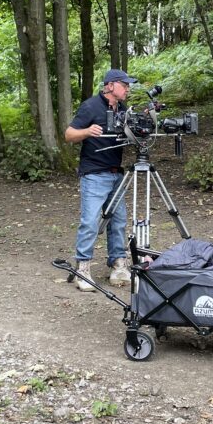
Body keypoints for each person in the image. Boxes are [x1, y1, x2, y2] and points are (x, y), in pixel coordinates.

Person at [64, 68, 137, 291]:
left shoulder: (123, 110)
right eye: (124, 85)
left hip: (116, 173)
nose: (127, 89)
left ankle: (118, 265)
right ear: (111, 85)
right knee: (90, 221)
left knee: (119, 222)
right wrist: (87, 131)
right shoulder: (91, 106)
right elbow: (69, 135)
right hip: (95, 174)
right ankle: (83, 269)